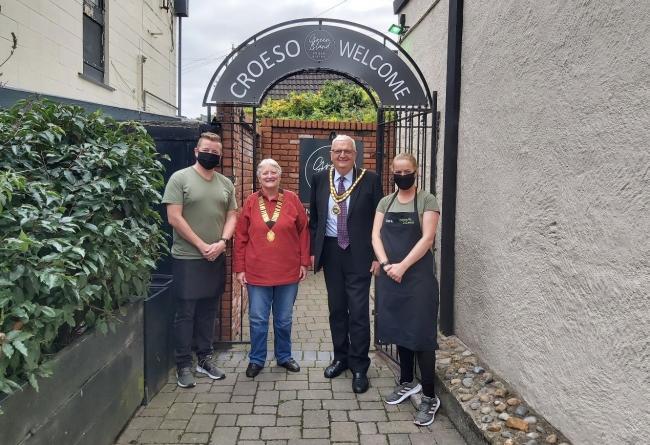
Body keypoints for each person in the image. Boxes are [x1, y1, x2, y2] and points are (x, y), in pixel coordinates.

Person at [162, 132, 238, 388]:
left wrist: (222, 242)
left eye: (216, 152)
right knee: (185, 313)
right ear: (196, 151)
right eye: (207, 150)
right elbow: (174, 217)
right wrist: (201, 244)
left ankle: (204, 359)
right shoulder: (180, 178)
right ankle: (183, 364)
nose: (211, 155)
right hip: (187, 257)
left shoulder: (226, 183)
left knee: (209, 311)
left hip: (216, 255)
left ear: (221, 155)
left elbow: (232, 216)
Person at [371, 152, 441, 426]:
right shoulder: (385, 202)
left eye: (406, 171)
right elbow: (375, 235)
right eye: (397, 172)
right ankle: (407, 381)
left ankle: (429, 396)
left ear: (416, 171)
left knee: (421, 335)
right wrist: (388, 264)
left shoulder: (427, 200)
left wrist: (402, 266)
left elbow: (428, 238)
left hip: (417, 279)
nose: (402, 176)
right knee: (400, 329)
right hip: (391, 276)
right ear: (392, 173)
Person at [309, 134, 383, 394]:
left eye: (347, 151)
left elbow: (379, 221)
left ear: (355, 154)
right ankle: (340, 357)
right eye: (338, 151)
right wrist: (313, 251)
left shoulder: (370, 180)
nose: (342, 155)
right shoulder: (320, 179)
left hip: (359, 253)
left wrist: (377, 256)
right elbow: (315, 220)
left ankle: (360, 365)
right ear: (331, 153)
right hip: (331, 252)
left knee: (359, 312)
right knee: (336, 309)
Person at [234, 158, 310, 378]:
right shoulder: (250, 202)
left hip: (288, 271)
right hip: (256, 272)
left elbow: (304, 231)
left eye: (273, 172)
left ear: (279, 175)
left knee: (284, 319)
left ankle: (284, 356)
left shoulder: (292, 199)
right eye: (265, 173)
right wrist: (240, 268)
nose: (269, 176)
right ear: (259, 177)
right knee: (257, 319)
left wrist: (304, 262)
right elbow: (240, 237)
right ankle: (257, 359)